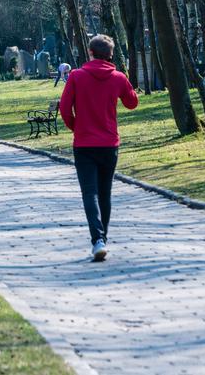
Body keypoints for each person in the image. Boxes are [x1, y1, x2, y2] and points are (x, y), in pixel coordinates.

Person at [59, 34, 139, 261]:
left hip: (84, 144)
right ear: (111, 55)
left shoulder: (76, 76)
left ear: (91, 52)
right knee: (105, 192)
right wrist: (125, 82)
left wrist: (77, 128)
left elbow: (65, 109)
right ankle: (103, 238)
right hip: (109, 144)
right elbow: (132, 103)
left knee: (89, 193)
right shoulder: (118, 77)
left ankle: (98, 240)